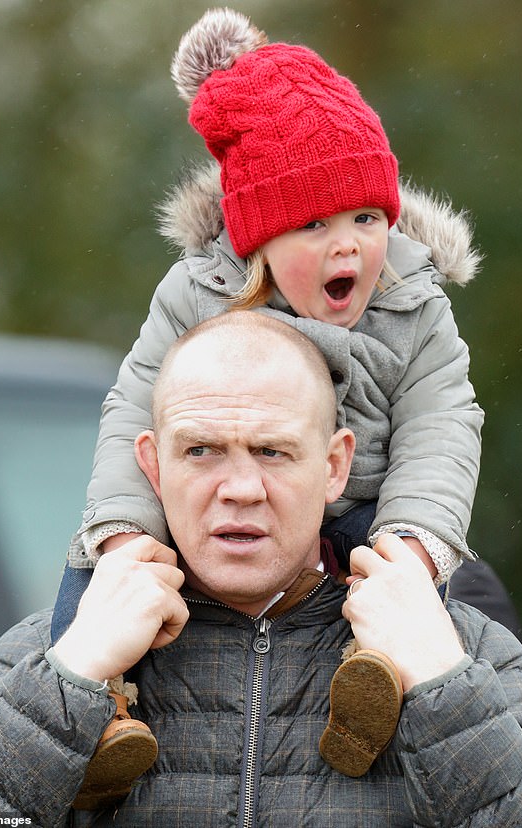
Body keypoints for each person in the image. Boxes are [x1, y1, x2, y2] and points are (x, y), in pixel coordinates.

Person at [52, 6, 488, 801]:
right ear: (256, 237)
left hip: (366, 518)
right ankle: (98, 714)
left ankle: (375, 691)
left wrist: (414, 545)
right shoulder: (200, 296)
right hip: (218, 526)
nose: (348, 244)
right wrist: (123, 538)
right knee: (97, 579)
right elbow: (133, 415)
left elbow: (442, 425)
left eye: (366, 217)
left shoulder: (412, 305)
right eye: (314, 224)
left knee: (449, 597)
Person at [0, 312, 522, 827]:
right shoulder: (47, 651)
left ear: (333, 467)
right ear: (153, 466)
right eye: (201, 451)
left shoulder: (469, 650)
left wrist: (441, 684)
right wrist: (70, 677)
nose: (240, 487)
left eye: (272, 451)